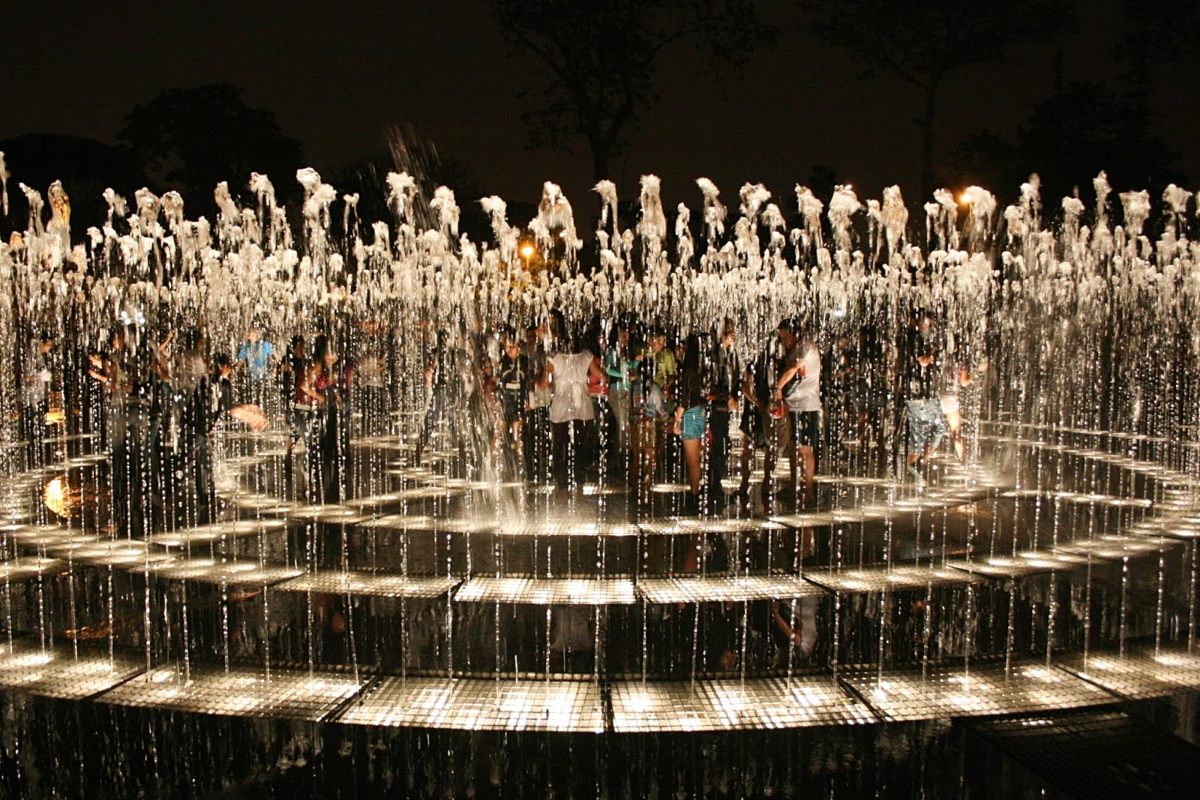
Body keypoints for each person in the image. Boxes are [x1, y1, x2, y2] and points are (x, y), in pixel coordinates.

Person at [545, 332, 606, 490]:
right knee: (580, 442)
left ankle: (561, 477)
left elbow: (545, 381)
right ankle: (578, 475)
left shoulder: (555, 357)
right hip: (581, 405)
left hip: (562, 404)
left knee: (560, 441)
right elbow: (600, 375)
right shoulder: (585, 356)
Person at [772, 319, 820, 507]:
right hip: (793, 406)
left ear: (795, 332)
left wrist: (777, 388)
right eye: (781, 338)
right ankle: (794, 485)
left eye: (785, 337)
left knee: (805, 448)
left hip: (806, 406)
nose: (784, 342)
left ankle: (808, 491)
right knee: (792, 447)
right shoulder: (795, 348)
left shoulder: (805, 346)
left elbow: (793, 368)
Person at [904, 325, 947, 487]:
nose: (927, 327)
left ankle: (917, 468)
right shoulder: (913, 342)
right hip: (918, 398)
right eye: (926, 324)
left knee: (934, 430)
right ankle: (914, 473)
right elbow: (921, 360)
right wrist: (928, 357)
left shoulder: (926, 341)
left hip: (927, 398)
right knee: (918, 438)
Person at [672, 334, 708, 517]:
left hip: (690, 414)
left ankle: (695, 494)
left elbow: (685, 396)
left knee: (692, 458)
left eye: (681, 346)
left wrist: (677, 418)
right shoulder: (699, 368)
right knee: (694, 458)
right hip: (697, 413)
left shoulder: (689, 371)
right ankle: (695, 491)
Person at [706, 319, 740, 513]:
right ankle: (713, 486)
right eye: (728, 331)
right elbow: (709, 384)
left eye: (733, 330)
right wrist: (727, 397)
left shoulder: (730, 354)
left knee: (722, 446)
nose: (732, 334)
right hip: (716, 407)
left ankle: (715, 484)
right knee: (718, 446)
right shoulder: (715, 356)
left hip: (724, 408)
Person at [237, 323, 276, 408]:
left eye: (250, 332)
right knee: (253, 399)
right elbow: (240, 361)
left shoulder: (265, 345)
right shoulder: (246, 347)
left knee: (263, 399)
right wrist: (235, 372)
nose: (248, 334)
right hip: (252, 378)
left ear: (257, 333)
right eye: (248, 332)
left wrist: (274, 371)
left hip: (265, 377)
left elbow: (273, 359)